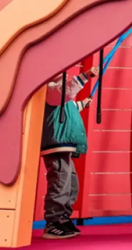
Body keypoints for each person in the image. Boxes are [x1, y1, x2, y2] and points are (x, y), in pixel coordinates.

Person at [40, 66, 98, 240]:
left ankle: (63, 216)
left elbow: (67, 105)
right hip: (56, 144)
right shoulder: (51, 89)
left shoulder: (60, 94)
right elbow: (65, 93)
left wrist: (81, 104)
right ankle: (53, 220)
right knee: (60, 180)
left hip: (64, 145)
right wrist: (85, 76)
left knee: (70, 181)